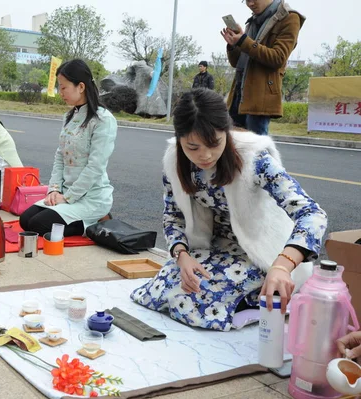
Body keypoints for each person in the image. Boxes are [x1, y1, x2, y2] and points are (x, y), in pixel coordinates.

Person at [130, 89, 327, 331]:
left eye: (214, 143)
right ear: (179, 138)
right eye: (193, 147)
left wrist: (283, 265)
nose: (205, 155)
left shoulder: (255, 160)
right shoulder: (174, 161)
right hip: (215, 248)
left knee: (201, 301)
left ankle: (253, 303)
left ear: (227, 131)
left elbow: (312, 214)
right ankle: (241, 303)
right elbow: (173, 215)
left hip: (262, 254)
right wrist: (182, 257)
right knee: (162, 289)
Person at [19, 59, 117, 238]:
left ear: (80, 86)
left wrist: (68, 197)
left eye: (63, 87)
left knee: (38, 225)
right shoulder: (69, 117)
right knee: (25, 220)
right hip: (65, 194)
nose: (60, 92)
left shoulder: (103, 120)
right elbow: (60, 156)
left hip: (90, 198)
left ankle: (95, 222)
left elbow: (95, 167)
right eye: (59, 87)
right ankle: (83, 220)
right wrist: (54, 190)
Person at [221, 0, 304, 136]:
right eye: (246, 0)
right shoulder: (253, 20)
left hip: (260, 96)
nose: (250, 3)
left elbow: (278, 58)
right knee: (235, 150)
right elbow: (236, 63)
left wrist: (243, 41)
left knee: (257, 150)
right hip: (238, 94)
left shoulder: (289, 18)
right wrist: (233, 45)